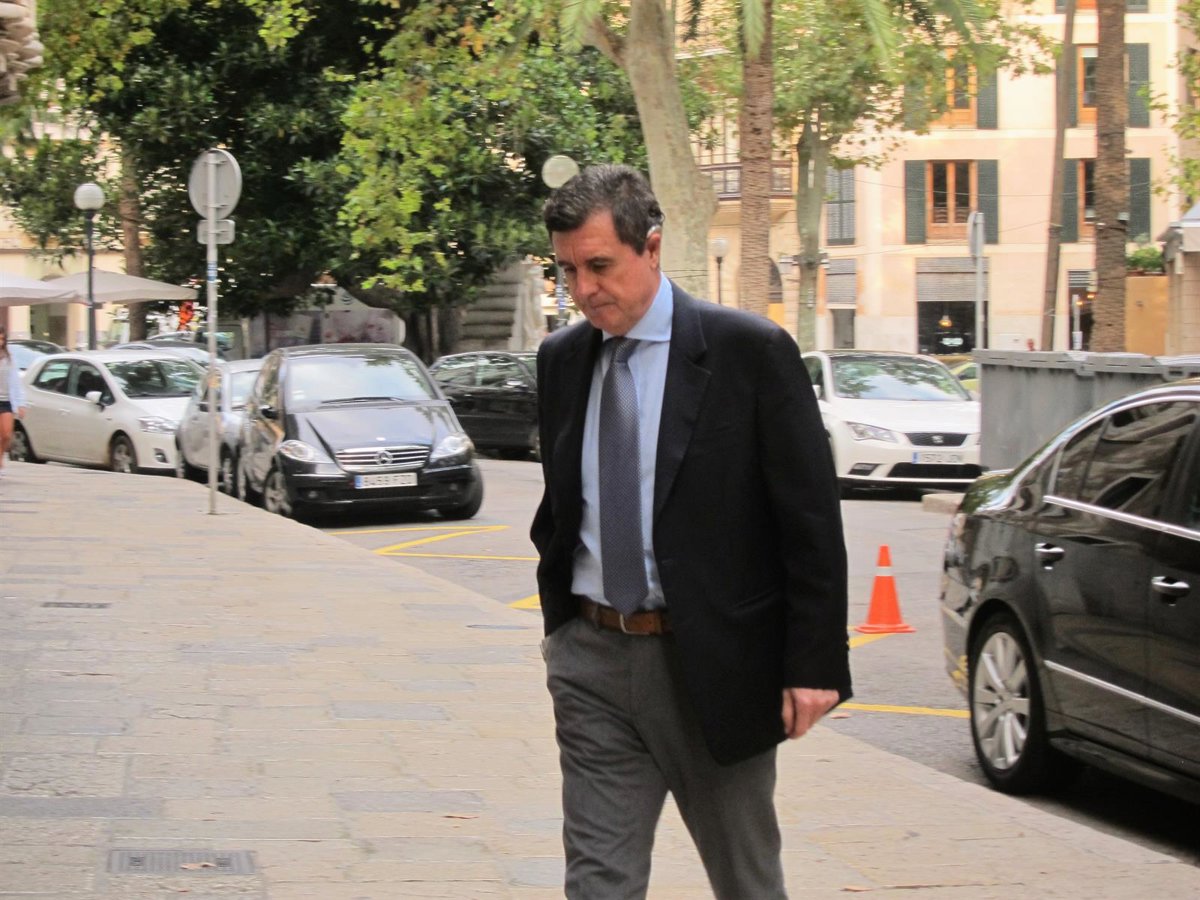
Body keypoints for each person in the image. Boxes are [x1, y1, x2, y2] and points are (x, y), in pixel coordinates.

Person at [531, 164, 851, 899]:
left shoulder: (749, 352)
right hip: (592, 660)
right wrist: (562, 636)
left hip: (713, 664)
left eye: (599, 265)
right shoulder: (562, 361)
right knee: (598, 883)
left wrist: (814, 663)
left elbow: (808, 520)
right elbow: (564, 505)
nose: (583, 290)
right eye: (568, 271)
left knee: (745, 880)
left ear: (651, 247)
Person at [0, 327, 29, 477]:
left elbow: (16, 382)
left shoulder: (9, 358)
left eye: (2, 339)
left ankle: (0, 457)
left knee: (6, 435)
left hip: (6, 401)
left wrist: (21, 404)